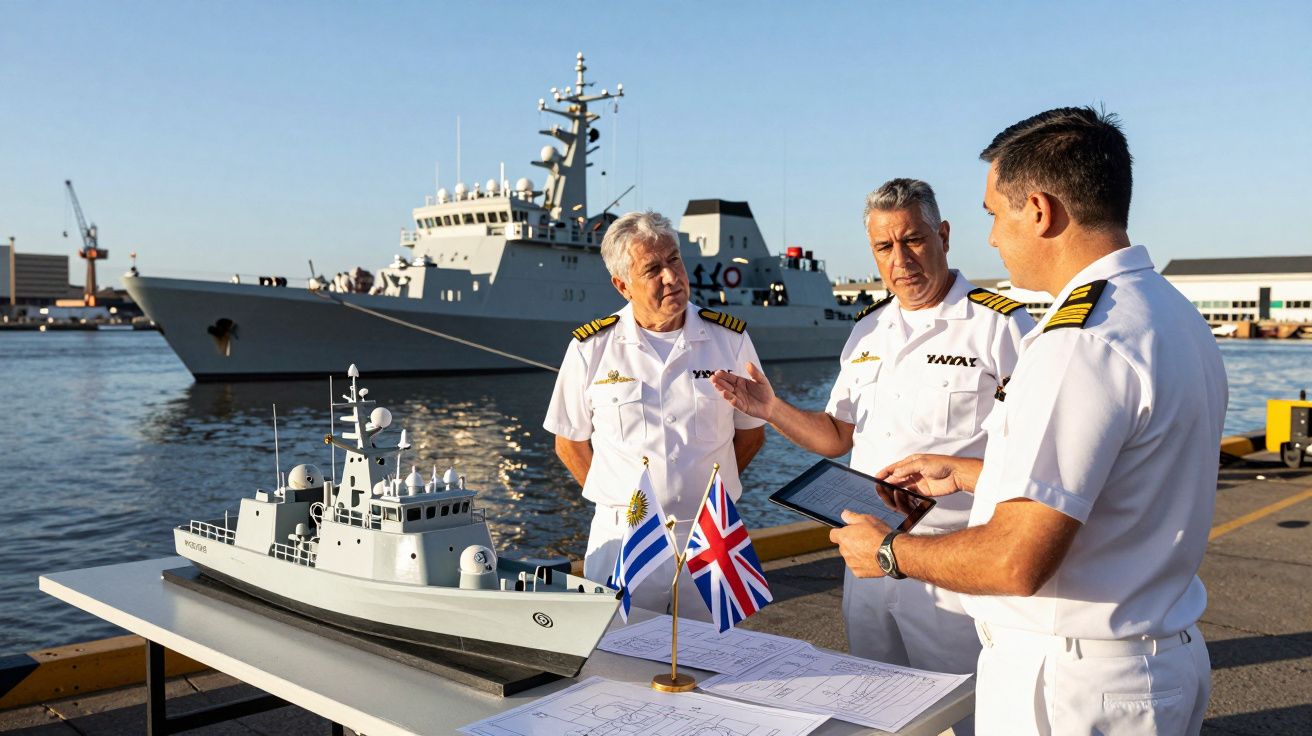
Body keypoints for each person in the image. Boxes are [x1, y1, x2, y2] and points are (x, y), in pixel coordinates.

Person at [834, 108, 1225, 735]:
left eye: (995, 214)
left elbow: (1017, 560)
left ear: (1038, 211)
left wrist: (887, 552)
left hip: (1075, 687)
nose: (991, 238)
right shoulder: (1166, 314)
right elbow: (1113, 478)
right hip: (1152, 662)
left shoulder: (1079, 343)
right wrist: (968, 474)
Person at [711, 178, 1034, 734]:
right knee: (877, 710)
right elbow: (837, 434)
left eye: (913, 240)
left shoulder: (1001, 326)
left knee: (973, 714)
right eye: (885, 248)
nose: (901, 260)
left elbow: (1031, 456)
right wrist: (771, 408)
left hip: (953, 567)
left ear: (944, 236)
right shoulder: (867, 331)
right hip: (869, 561)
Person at [543, 210, 766, 617]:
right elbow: (569, 443)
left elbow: (750, 434)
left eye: (674, 260)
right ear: (622, 285)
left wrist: (699, 489)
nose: (671, 277)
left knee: (718, 663)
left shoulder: (729, 340)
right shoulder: (591, 349)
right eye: (652, 269)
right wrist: (620, 501)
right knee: (615, 659)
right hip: (624, 537)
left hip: (709, 532)